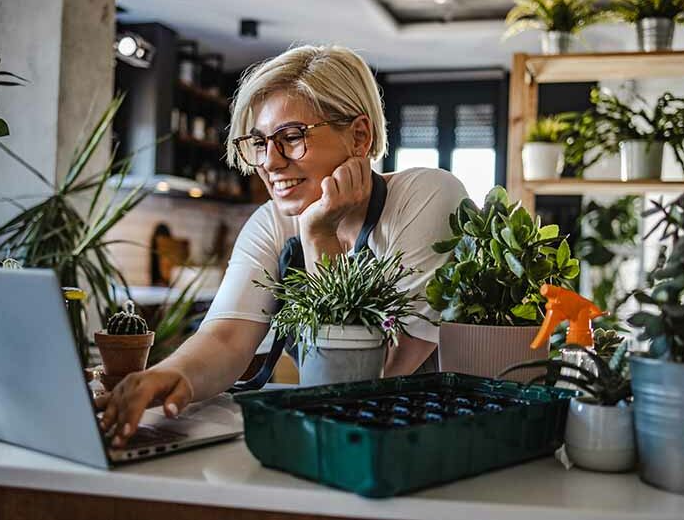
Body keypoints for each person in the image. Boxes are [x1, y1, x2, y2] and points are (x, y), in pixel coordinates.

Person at [97, 45, 468, 447]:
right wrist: (167, 377)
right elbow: (225, 338)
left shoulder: (427, 196)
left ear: (359, 136)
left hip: (430, 441)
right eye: (259, 143)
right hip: (335, 443)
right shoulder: (271, 222)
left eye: (291, 138)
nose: (269, 163)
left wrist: (318, 237)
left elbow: (374, 379)